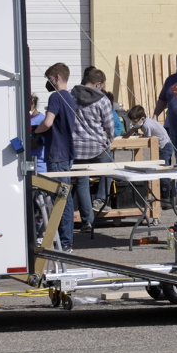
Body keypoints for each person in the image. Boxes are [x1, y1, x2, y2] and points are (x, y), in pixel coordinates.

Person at [33, 62, 78, 252]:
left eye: (49, 78)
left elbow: (48, 122)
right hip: (66, 153)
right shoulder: (71, 98)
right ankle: (64, 239)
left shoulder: (55, 97)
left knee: (61, 198)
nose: (48, 82)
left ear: (57, 77)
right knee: (64, 197)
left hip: (57, 154)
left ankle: (65, 241)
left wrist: (35, 131)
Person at [71, 66, 121, 232]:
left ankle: (87, 222)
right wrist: (108, 141)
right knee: (110, 169)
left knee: (82, 182)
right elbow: (109, 126)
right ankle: (100, 199)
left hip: (77, 147)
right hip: (97, 146)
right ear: (98, 84)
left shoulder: (71, 95)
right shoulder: (103, 100)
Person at [123, 105, 176, 206]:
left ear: (142, 119)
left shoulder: (146, 125)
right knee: (165, 172)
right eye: (132, 121)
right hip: (165, 146)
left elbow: (148, 139)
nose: (133, 124)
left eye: (135, 121)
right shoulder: (146, 122)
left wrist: (136, 134)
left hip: (164, 147)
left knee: (163, 173)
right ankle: (172, 197)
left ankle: (165, 199)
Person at [29, 95, 47, 174]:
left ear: (32, 104)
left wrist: (21, 141)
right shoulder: (22, 120)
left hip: (40, 167)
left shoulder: (42, 120)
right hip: (27, 167)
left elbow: (37, 144)